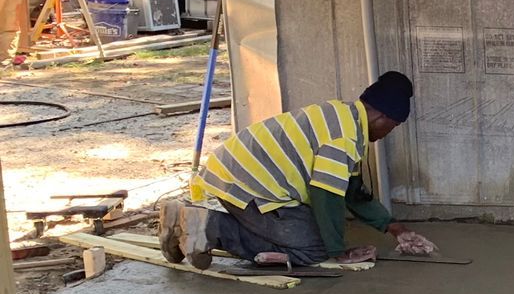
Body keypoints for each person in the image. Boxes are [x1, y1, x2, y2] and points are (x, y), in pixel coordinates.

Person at [159, 71, 437, 270]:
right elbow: (326, 196)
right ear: (382, 118)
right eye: (392, 127)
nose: (389, 134)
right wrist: (337, 252)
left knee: (312, 232)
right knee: (313, 249)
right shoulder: (345, 139)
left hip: (236, 173)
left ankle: (187, 219)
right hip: (247, 186)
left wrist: (394, 228)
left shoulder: (343, 116)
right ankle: (210, 228)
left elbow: (352, 192)